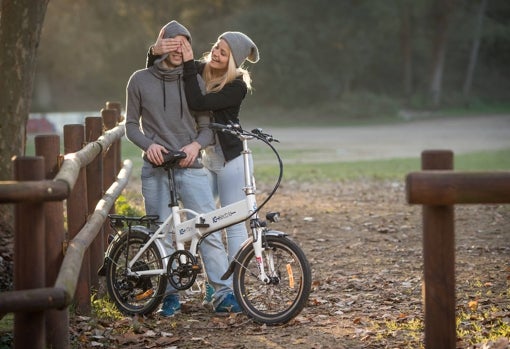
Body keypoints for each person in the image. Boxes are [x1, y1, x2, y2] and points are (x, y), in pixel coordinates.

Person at [125, 20, 241, 316]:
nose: (179, 49)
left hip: (191, 166)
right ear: (162, 44)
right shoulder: (138, 80)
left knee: (208, 230)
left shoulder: (195, 79)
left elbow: (206, 128)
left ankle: (222, 294)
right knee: (161, 236)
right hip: (155, 168)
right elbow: (129, 126)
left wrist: (195, 146)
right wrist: (147, 145)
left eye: (185, 43)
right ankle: (168, 296)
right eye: (173, 42)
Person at [147, 30, 260, 266]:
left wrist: (189, 64)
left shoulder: (236, 85)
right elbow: (162, 73)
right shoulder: (198, 69)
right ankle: (213, 284)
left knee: (233, 224)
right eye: (217, 47)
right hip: (205, 159)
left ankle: (232, 288)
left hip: (232, 161)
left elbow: (198, 103)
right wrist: (153, 52)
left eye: (223, 52)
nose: (216, 54)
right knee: (202, 221)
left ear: (233, 60)